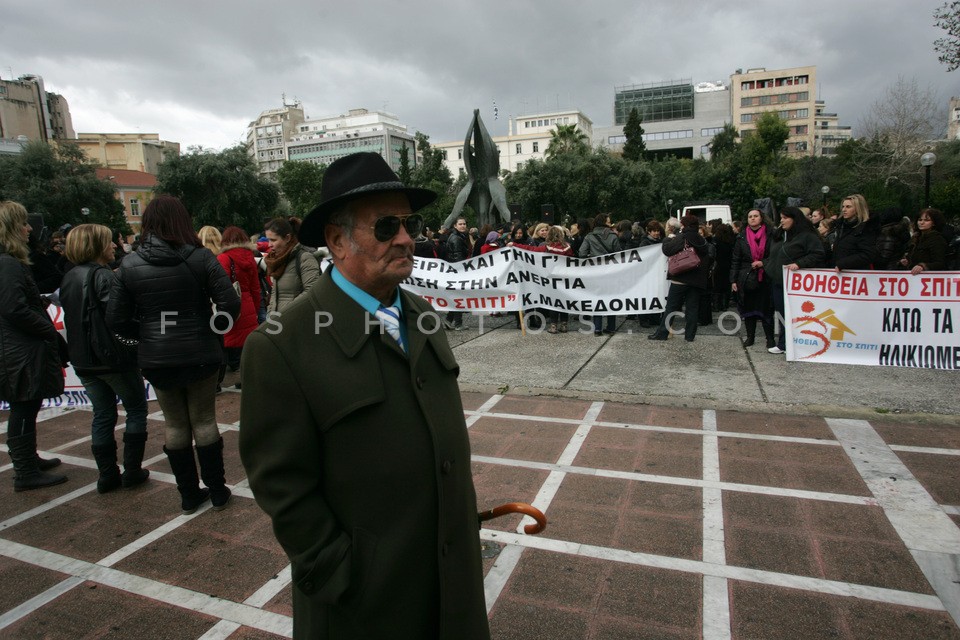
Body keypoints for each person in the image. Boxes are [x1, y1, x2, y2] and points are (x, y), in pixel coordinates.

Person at [239, 152, 490, 639]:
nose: (405, 237)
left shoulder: (421, 313)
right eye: (386, 226)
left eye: (409, 223)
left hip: (450, 584)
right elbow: (281, 484)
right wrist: (337, 572)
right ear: (336, 240)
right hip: (365, 606)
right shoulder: (281, 343)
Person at [107, 195, 240, 514]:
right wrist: (212, 327)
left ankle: (189, 494)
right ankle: (218, 490)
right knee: (205, 419)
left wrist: (148, 334)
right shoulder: (201, 257)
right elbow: (229, 304)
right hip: (200, 352)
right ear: (183, 221)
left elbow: (116, 318)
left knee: (176, 424)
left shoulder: (130, 264)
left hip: (158, 356)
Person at [59, 223, 149, 493]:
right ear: (96, 246)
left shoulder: (69, 276)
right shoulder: (104, 277)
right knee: (135, 409)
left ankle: (107, 475)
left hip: (84, 360)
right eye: (109, 242)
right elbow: (119, 317)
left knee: (102, 413)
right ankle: (131, 470)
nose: (114, 246)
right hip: (111, 358)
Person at [0, 201, 68, 491]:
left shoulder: (9, 263)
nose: (29, 229)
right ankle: (25, 471)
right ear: (11, 228)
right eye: (24, 224)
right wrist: (47, 329)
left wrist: (39, 301)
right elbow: (13, 308)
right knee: (24, 407)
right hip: (20, 351)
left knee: (28, 405)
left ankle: (29, 460)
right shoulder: (8, 264)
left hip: (17, 349)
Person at [762, 207, 826, 354]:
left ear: (795, 219)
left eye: (785, 218)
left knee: (794, 314)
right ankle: (784, 343)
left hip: (795, 283)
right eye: (781, 218)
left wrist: (799, 264)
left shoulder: (807, 236)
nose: (781, 221)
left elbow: (818, 254)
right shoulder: (780, 235)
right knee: (782, 313)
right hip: (777, 280)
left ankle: (795, 344)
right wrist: (768, 265)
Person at [648, 214, 712, 342]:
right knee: (692, 309)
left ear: (684, 225)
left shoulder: (683, 237)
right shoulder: (702, 240)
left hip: (681, 278)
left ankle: (662, 333)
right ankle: (689, 336)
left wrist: (667, 239)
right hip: (697, 280)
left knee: (671, 307)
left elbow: (667, 250)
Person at [512, 225, 575, 333]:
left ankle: (553, 325)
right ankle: (564, 324)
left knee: (553, 302)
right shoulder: (568, 247)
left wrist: (514, 245)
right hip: (564, 278)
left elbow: (531, 249)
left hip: (550, 279)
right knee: (564, 301)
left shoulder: (546, 247)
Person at [217, 226, 261, 373]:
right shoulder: (250, 257)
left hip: (232, 307)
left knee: (228, 344)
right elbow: (256, 288)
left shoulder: (223, 258)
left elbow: (221, 287)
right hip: (248, 305)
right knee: (245, 347)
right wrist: (254, 309)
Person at [730, 210, 776, 349]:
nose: (753, 218)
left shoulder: (771, 235)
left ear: (761, 218)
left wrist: (763, 263)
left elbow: (775, 255)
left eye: (755, 216)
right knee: (748, 309)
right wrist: (733, 280)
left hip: (765, 277)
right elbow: (736, 260)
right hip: (746, 277)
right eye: (750, 216)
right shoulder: (741, 237)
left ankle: (770, 338)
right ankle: (750, 337)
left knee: (766, 309)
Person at [264, 216, 319, 315]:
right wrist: (270, 313)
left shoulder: (304, 258)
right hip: (277, 322)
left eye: (273, 240)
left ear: (287, 238)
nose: (269, 245)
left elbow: (312, 292)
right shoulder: (277, 261)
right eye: (268, 240)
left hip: (295, 322)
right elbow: (275, 293)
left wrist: (286, 314)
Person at [580, 213, 621, 335]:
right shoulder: (613, 236)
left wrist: (592, 256)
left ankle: (597, 328)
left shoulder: (589, 236)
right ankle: (611, 327)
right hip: (610, 271)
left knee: (597, 298)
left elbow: (582, 253)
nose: (611, 224)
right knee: (611, 298)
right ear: (604, 223)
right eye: (609, 222)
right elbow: (618, 254)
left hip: (595, 271)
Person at [830, 194, 879, 271]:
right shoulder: (841, 226)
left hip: (857, 276)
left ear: (858, 208)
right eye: (843, 206)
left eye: (848, 207)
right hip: (840, 274)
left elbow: (868, 254)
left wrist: (843, 263)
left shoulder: (867, 228)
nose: (843, 210)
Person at [443, 216, 472, 330]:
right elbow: (458, 257)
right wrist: (462, 271)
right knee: (459, 296)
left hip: (454, 271)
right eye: (460, 224)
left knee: (457, 296)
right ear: (455, 226)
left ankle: (449, 319)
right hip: (457, 272)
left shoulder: (458, 236)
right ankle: (458, 324)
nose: (463, 226)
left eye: (464, 224)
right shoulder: (456, 238)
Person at [900, 208, 949, 274]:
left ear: (934, 223)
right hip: (913, 278)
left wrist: (923, 266)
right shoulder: (915, 238)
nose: (922, 223)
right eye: (920, 220)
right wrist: (906, 261)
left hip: (930, 279)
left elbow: (940, 263)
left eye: (926, 220)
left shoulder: (937, 239)